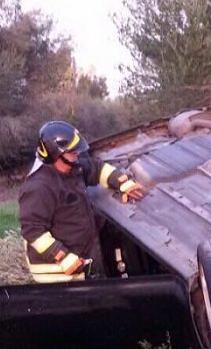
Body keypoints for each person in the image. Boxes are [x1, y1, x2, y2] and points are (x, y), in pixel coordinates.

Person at [19, 120, 145, 283]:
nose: (77, 154)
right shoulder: (39, 188)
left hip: (84, 263)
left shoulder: (72, 167)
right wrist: (62, 256)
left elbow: (97, 168)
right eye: (72, 151)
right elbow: (32, 230)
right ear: (56, 154)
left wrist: (122, 182)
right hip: (59, 275)